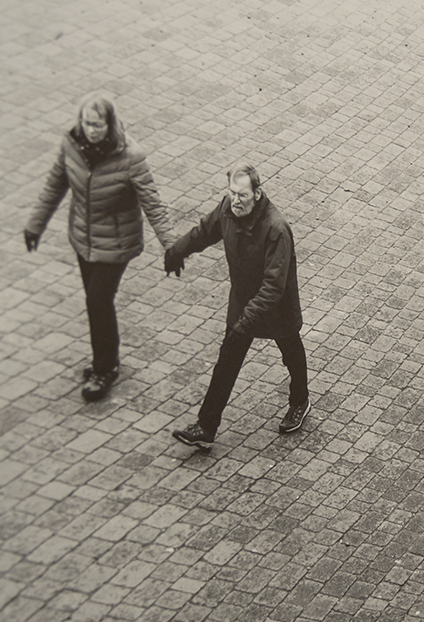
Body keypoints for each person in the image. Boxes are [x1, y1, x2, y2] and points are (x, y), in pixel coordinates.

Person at [25, 94, 177, 401]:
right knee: (96, 302)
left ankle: (105, 368)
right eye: (87, 123)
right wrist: (35, 224)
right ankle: (105, 359)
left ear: (110, 123)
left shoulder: (130, 156)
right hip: (84, 239)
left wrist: (172, 246)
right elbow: (55, 183)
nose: (92, 130)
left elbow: (153, 203)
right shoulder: (72, 145)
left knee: (97, 299)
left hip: (117, 242)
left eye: (98, 124)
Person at [164, 163, 309, 449]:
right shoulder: (227, 211)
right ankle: (206, 426)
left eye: (242, 195)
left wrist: (246, 321)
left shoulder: (276, 229)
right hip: (243, 301)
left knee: (290, 350)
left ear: (258, 193)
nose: (236, 200)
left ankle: (299, 399)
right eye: (232, 193)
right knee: (226, 363)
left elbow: (274, 287)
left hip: (275, 307)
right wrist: (177, 250)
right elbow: (203, 232)